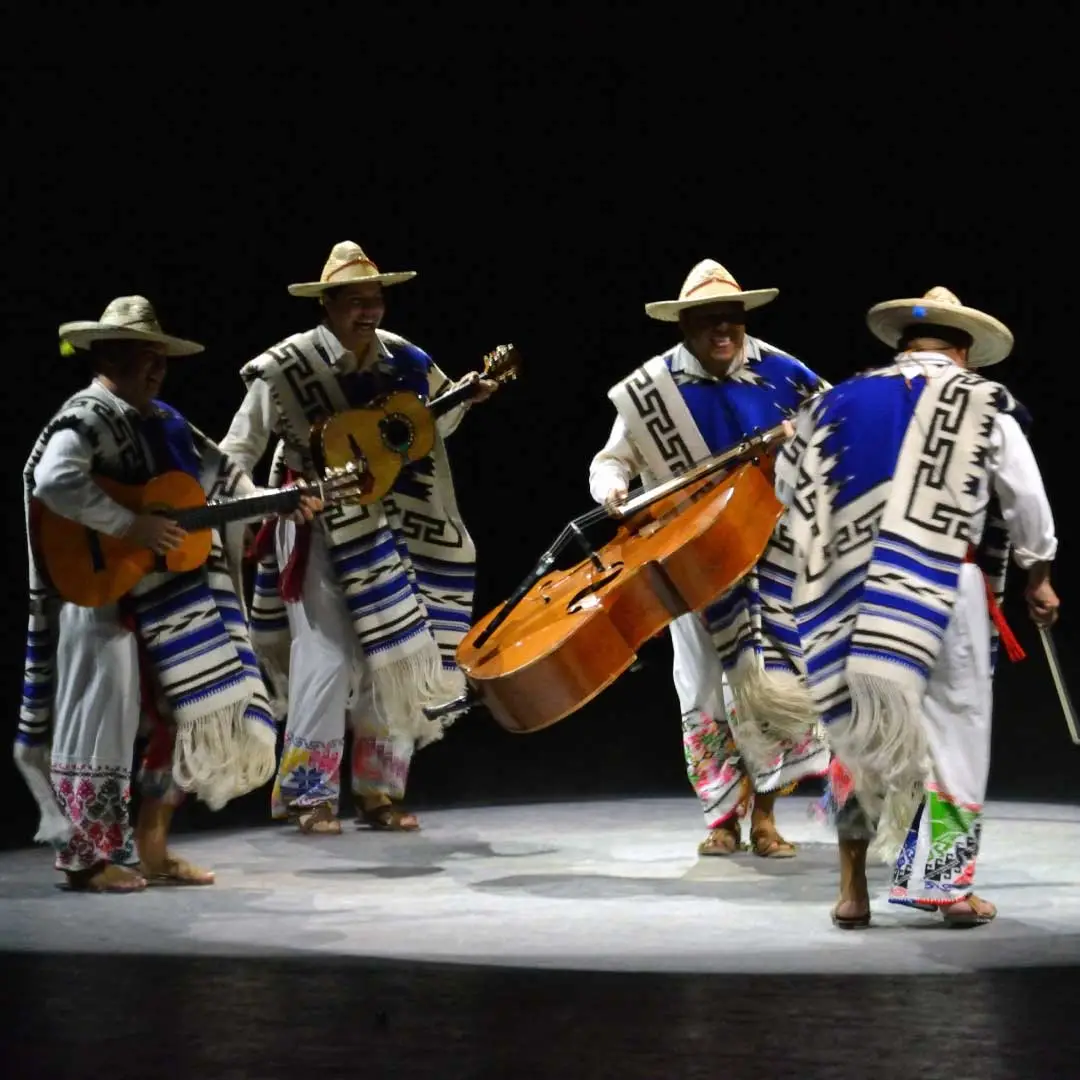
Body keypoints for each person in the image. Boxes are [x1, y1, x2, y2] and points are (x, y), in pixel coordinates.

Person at [773, 286, 1059, 928]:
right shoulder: (984, 403)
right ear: (964, 353)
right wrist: (1039, 575)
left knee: (859, 729)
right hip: (941, 587)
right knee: (956, 729)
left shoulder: (832, 403)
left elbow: (788, 486)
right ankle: (943, 887)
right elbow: (1026, 502)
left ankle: (852, 891)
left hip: (847, 590)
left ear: (906, 344)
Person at [16, 296, 319, 893]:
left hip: (168, 597)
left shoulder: (166, 422)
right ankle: (87, 858)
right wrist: (132, 525)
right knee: (101, 720)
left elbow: (227, 479)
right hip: (101, 593)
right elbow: (54, 481)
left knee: (186, 715)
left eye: (160, 359)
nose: (154, 369)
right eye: (140, 356)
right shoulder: (86, 415)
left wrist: (278, 498)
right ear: (107, 355)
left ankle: (151, 847)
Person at [219, 240, 497, 835]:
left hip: (395, 525)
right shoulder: (287, 367)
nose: (367, 311)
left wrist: (466, 398)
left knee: (396, 655)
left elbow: (434, 421)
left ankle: (379, 791)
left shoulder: (408, 359)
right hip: (315, 525)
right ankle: (310, 793)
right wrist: (269, 502)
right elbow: (235, 452)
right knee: (324, 655)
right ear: (328, 305)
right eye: (354, 301)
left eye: (375, 300)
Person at [588, 259, 831, 858]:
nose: (722, 330)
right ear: (684, 327)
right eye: (708, 321)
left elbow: (836, 432)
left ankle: (767, 818)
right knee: (699, 688)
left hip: (773, 554)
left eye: (731, 319)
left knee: (771, 681)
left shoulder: (785, 373)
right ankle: (722, 818)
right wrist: (612, 490)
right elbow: (610, 461)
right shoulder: (652, 391)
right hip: (690, 564)